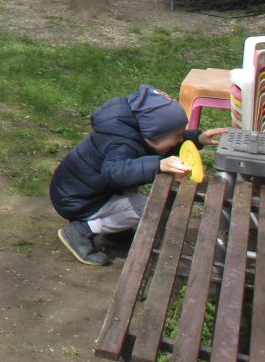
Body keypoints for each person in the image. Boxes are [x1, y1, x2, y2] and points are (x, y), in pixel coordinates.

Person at [50, 85, 227, 266]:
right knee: (150, 207)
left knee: (135, 183)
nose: (180, 140)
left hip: (83, 191)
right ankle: (81, 230)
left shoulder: (135, 131)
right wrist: (157, 164)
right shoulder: (121, 144)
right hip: (79, 200)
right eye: (178, 135)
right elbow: (114, 173)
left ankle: (115, 232)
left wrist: (196, 139)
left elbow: (162, 144)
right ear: (154, 133)